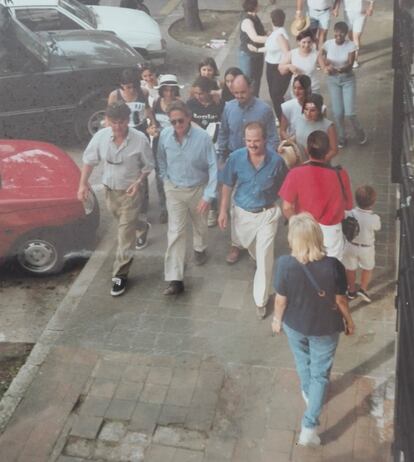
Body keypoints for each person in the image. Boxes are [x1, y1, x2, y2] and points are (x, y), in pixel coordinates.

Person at [272, 212, 355, 446]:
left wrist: (277, 320)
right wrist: (349, 321)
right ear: (317, 236)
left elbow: (280, 300)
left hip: (295, 325)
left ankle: (309, 394)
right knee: (320, 373)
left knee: (302, 360)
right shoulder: (334, 266)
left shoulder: (284, 264)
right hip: (325, 328)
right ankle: (309, 426)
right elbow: (340, 300)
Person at [77, 102, 154, 296]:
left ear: (128, 121)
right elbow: (89, 160)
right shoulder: (101, 137)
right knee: (123, 222)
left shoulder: (140, 139)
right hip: (110, 191)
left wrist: (138, 182)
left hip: (131, 192)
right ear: (108, 121)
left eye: (121, 122)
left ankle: (120, 274)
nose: (117, 127)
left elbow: (148, 166)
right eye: (113, 123)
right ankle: (142, 227)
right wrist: (83, 184)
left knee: (124, 236)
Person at [218, 122, 287, 318]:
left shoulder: (277, 162)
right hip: (242, 214)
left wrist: (291, 212)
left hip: (267, 214)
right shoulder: (236, 158)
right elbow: (227, 184)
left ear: (265, 139)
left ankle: (261, 300)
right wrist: (222, 211)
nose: (252, 145)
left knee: (265, 257)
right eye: (248, 141)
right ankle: (252, 253)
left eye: (256, 141)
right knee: (251, 248)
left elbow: (286, 187)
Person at [217, 74, 279, 264]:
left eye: (243, 92)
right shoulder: (228, 108)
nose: (239, 96)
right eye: (235, 93)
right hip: (236, 161)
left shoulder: (264, 110)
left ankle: (257, 244)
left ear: (251, 88)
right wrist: (221, 156)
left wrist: (263, 160)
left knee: (256, 202)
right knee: (237, 206)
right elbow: (224, 133)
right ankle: (237, 244)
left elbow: (273, 138)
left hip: (259, 163)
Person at [157, 101, 217, 295]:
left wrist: (208, 196)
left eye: (180, 121)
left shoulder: (203, 138)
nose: (177, 126)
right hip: (174, 190)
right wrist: (166, 180)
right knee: (175, 233)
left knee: (200, 225)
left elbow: (213, 166)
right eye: (172, 122)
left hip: (198, 189)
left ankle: (200, 248)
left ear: (189, 118)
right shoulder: (165, 136)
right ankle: (175, 279)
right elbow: (161, 160)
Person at [279, 130, 353, 260]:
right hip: (331, 231)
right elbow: (348, 206)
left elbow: (286, 207)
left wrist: (295, 224)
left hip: (305, 230)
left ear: (307, 150)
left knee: (305, 267)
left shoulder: (295, 174)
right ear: (328, 151)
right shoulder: (340, 174)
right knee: (331, 269)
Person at [319, 21, 367, 148]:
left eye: (341, 32)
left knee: (350, 112)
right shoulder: (328, 44)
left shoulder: (350, 45)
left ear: (346, 34)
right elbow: (320, 55)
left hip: (347, 80)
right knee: (338, 112)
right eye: (336, 31)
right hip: (333, 80)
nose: (338, 34)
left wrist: (338, 69)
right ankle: (341, 137)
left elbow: (350, 64)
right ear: (333, 32)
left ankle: (360, 132)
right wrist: (324, 67)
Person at [187, 76, 225, 228]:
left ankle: (213, 208)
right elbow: (186, 120)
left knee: (213, 178)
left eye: (201, 93)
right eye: (195, 93)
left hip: (214, 147)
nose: (198, 96)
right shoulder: (190, 104)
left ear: (210, 91)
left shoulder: (219, 104)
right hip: (195, 146)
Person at [151, 74, 183, 224]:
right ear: (161, 91)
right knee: (160, 176)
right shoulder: (157, 103)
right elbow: (152, 121)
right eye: (166, 90)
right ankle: (164, 208)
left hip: (176, 145)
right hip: (159, 144)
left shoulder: (180, 104)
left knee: (176, 176)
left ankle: (177, 206)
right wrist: (152, 129)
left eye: (172, 90)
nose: (169, 93)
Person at [342, 185, 381, 302]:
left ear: (356, 199)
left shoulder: (349, 213)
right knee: (368, 268)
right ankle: (363, 289)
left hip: (350, 246)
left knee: (350, 269)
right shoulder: (374, 218)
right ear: (373, 202)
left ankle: (351, 290)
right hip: (366, 248)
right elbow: (377, 227)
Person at [253, 9, 291, 123]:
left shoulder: (279, 35)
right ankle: (283, 118)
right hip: (271, 66)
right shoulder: (276, 33)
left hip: (277, 67)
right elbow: (271, 47)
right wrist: (258, 49)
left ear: (271, 20)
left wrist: (283, 66)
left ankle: (282, 119)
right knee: (276, 96)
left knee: (276, 96)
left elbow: (287, 52)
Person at [108, 68, 154, 135]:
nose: (132, 90)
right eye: (128, 87)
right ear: (122, 85)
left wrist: (153, 123)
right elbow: (109, 116)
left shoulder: (143, 92)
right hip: (123, 129)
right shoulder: (114, 96)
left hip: (141, 128)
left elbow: (147, 109)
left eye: (135, 87)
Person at [294, 93, 338, 161]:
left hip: (319, 166)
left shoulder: (329, 126)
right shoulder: (298, 119)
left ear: (319, 110)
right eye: (306, 109)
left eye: (312, 110)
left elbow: (334, 151)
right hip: (300, 164)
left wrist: (317, 162)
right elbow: (297, 136)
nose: (308, 113)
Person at [279, 29, 320, 96]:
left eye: (309, 42)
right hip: (297, 90)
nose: (306, 45)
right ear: (298, 42)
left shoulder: (316, 54)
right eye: (303, 42)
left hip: (313, 88)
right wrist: (289, 66)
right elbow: (280, 68)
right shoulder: (292, 53)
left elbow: (325, 67)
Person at [239, 0, 267, 96]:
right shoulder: (247, 21)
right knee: (248, 80)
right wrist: (271, 39)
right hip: (248, 55)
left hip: (257, 54)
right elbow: (255, 38)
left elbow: (260, 32)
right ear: (254, 6)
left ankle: (255, 99)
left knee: (257, 78)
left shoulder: (255, 17)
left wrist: (267, 33)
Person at [336, 0, 376, 68]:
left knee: (356, 37)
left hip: (360, 14)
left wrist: (370, 8)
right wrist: (336, 9)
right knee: (350, 36)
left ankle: (354, 60)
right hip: (348, 14)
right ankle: (354, 48)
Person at [280, 74, 312, 141]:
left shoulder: (317, 106)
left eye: (300, 88)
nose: (296, 91)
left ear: (307, 89)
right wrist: (290, 141)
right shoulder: (287, 106)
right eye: (294, 88)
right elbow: (283, 131)